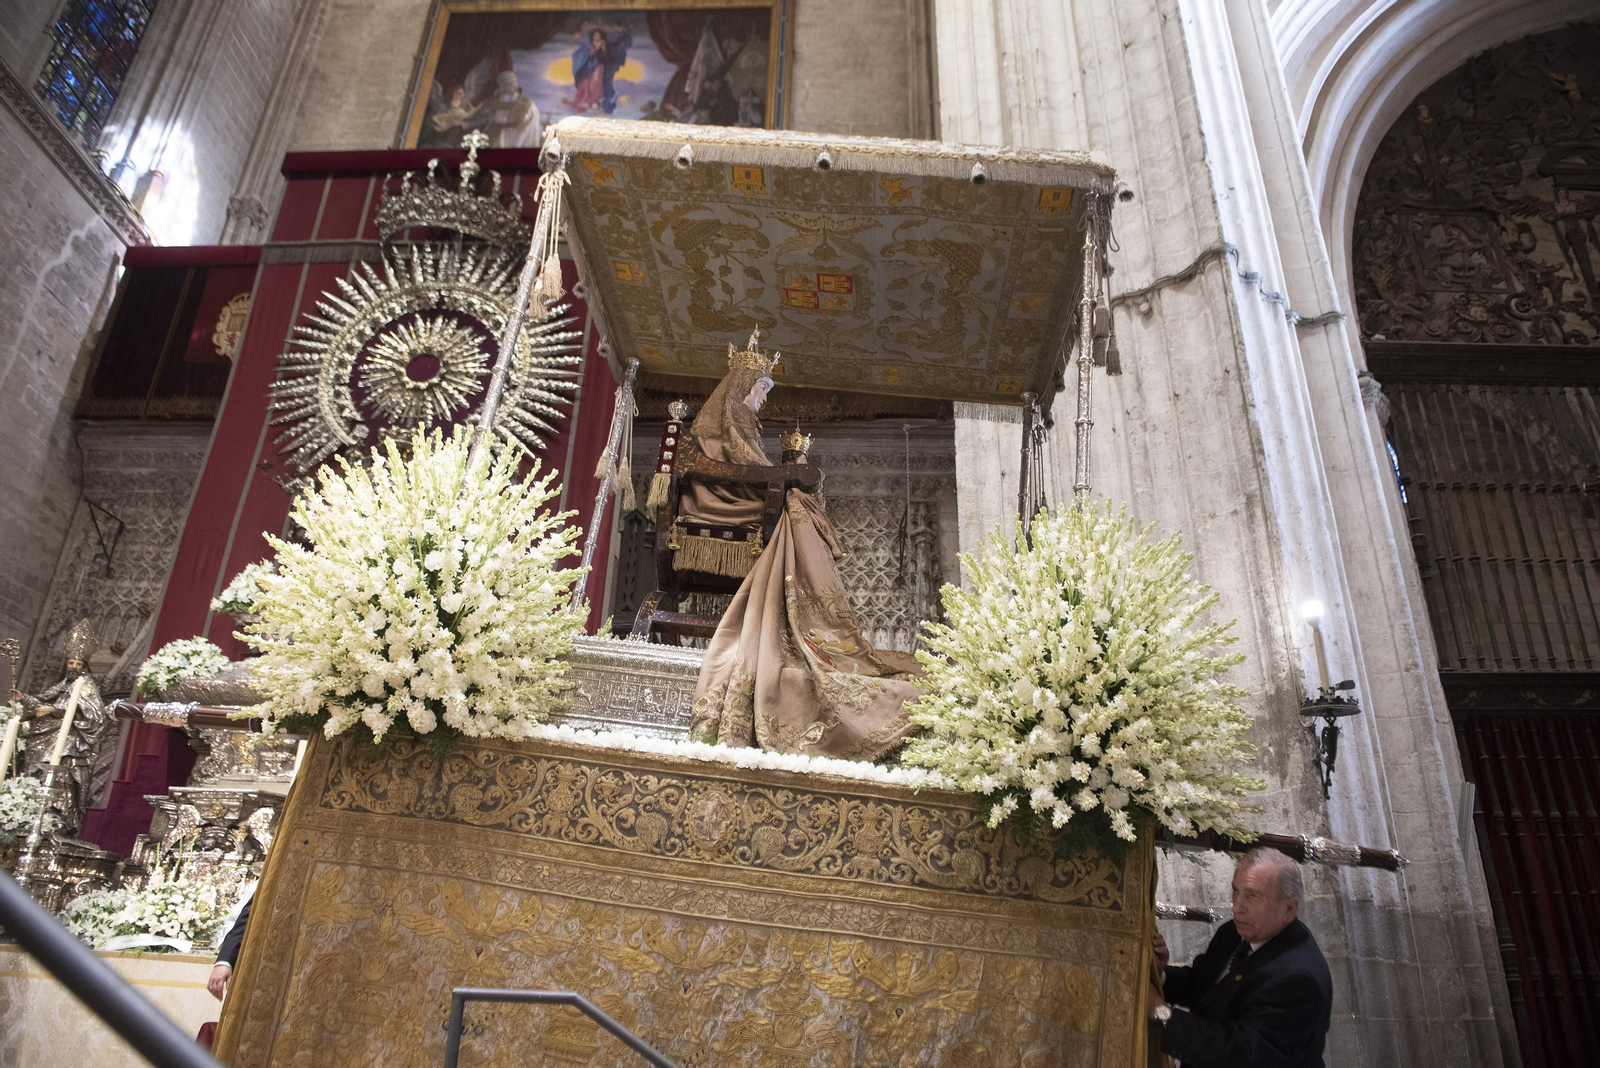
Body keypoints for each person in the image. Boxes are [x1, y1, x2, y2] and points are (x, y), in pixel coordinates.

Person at [686, 331, 922, 761]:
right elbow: (739, 469)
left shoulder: (742, 424)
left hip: (742, 496)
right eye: (761, 389)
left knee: (796, 503)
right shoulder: (726, 420)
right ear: (744, 387)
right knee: (795, 506)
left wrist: (786, 476)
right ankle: (813, 615)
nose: (763, 399)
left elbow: (755, 467)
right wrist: (791, 477)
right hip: (722, 503)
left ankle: (812, 616)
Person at [1149, 848, 1333, 1068]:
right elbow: (1203, 984)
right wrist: (1158, 974)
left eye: (1253, 896)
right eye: (1236, 891)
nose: (1237, 907)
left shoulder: (1298, 980)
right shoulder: (1236, 931)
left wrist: (1160, 1011)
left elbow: (1238, 1054)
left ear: (1289, 909)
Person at [10, 618, 113, 843]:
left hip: (72, 741)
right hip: (52, 736)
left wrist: (55, 710)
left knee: (63, 775)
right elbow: (43, 700)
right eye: (71, 662)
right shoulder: (64, 684)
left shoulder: (86, 687)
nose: (74, 667)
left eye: (78, 663)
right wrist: (23, 698)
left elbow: (94, 715)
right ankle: (34, 814)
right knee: (39, 767)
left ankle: (59, 818)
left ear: (84, 666)